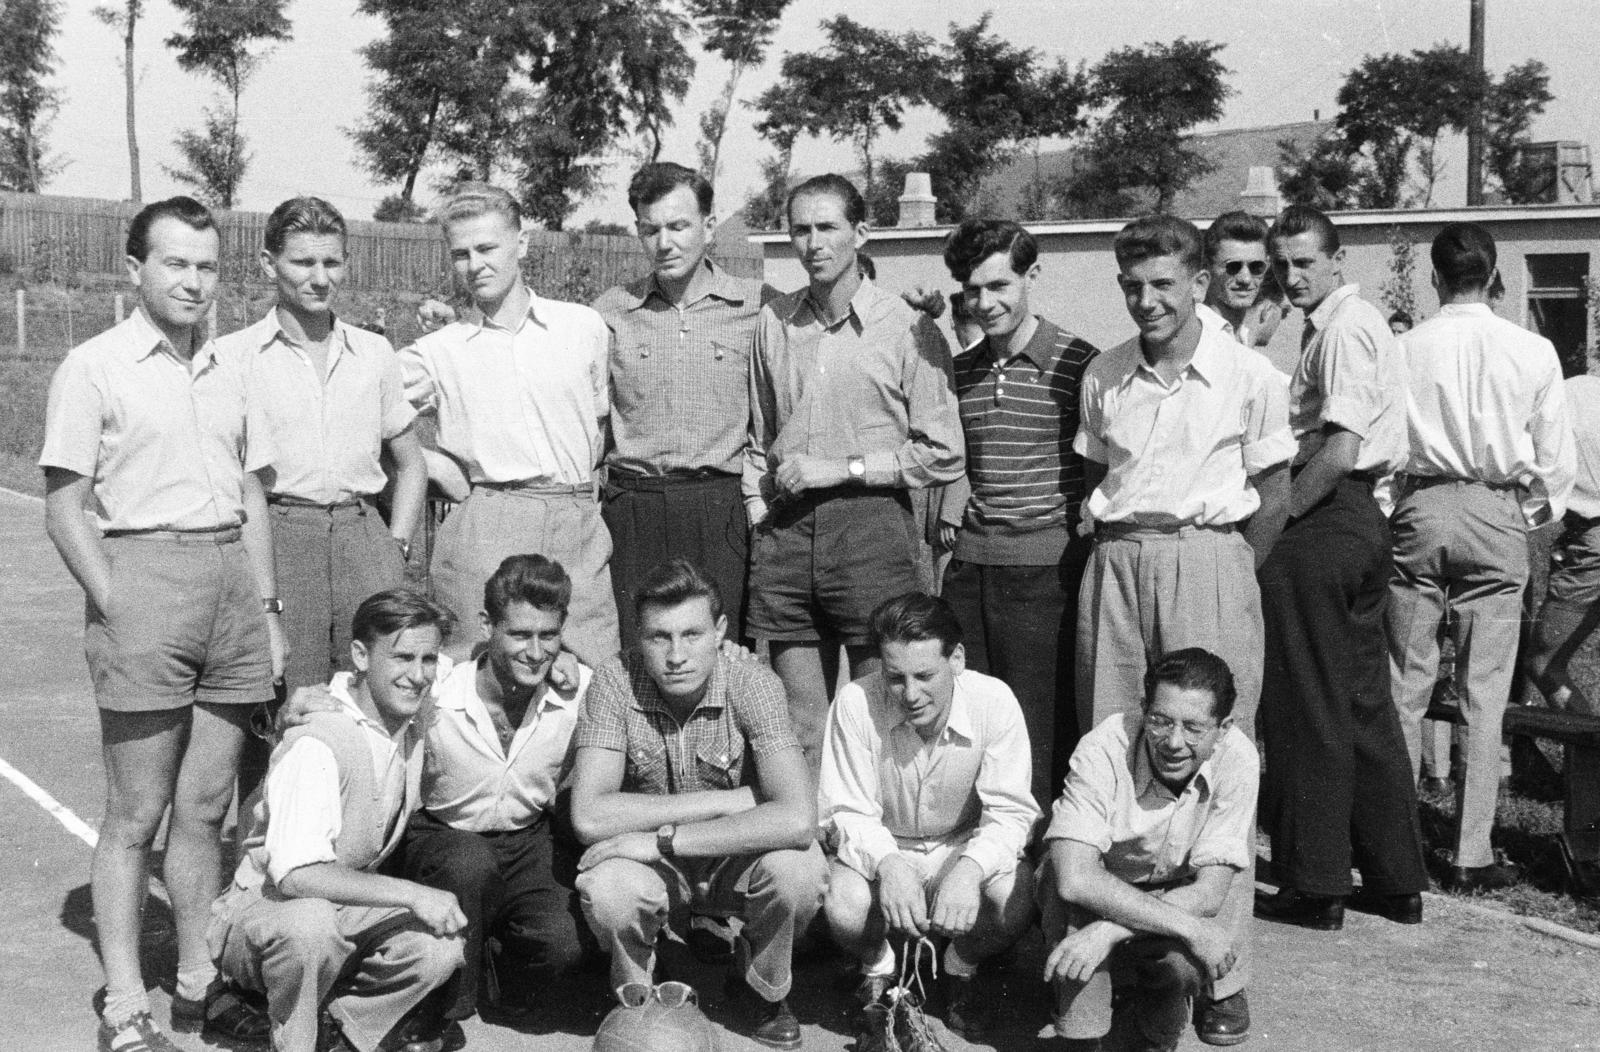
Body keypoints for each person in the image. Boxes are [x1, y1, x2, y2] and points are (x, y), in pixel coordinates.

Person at [40, 196, 283, 1052]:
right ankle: (124, 1004)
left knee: (206, 806)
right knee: (135, 812)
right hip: (145, 572)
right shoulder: (94, 365)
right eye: (175, 263)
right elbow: (65, 507)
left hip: (230, 587)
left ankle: (194, 985)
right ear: (135, 267)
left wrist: (266, 605)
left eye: (207, 265)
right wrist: (117, 600)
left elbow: (252, 491)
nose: (192, 280)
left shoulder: (231, 366)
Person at [744, 173, 964, 773]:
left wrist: (840, 469)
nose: (813, 243)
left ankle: (879, 845)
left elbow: (943, 452)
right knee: (801, 719)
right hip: (787, 533)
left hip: (871, 532)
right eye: (800, 229)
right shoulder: (774, 323)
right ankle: (811, 850)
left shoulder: (909, 326)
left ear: (861, 233)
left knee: (880, 710)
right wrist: (758, 511)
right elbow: (759, 441)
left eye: (828, 227)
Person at [1255, 205, 1430, 930]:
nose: (1292, 276)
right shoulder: (1331, 329)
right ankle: (1394, 879)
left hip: (1330, 515)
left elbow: (1340, 450)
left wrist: (1279, 521)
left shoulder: (1346, 330)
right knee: (1360, 701)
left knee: (1307, 704)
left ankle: (1318, 881)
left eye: (1305, 263)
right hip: (1355, 521)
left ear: (1337, 261)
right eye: (1283, 264)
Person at [570, 559, 828, 1049]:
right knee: (610, 888)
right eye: (658, 637)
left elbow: (797, 818)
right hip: (655, 869)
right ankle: (638, 999)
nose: (675, 655)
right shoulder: (612, 681)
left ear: (721, 632)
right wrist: (731, 801)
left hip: (730, 858)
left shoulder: (752, 682)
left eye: (691, 635)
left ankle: (761, 988)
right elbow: (589, 814)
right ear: (637, 636)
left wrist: (665, 838)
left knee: (798, 870)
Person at [1386, 222, 1575, 891]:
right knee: (1483, 691)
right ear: (1494, 276)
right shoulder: (1532, 349)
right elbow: (1556, 463)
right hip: (1496, 509)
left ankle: (1396, 845)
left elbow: (1385, 446)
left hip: (1424, 504)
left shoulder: (1403, 347)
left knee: (1405, 686)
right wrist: (1522, 514)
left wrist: (1396, 510)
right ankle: (1470, 852)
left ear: (1436, 276)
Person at [210, 590, 466, 1052]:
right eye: (403, 657)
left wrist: (564, 662)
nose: (419, 674)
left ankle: (343, 1031)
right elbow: (296, 876)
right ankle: (292, 1039)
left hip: (337, 910)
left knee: (439, 947)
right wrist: (413, 893)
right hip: (265, 918)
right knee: (310, 926)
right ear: (360, 656)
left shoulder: (409, 711)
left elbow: (477, 669)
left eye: (429, 659)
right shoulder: (320, 740)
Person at [1074, 213, 1293, 734]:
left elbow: (1274, 498)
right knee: (1111, 730)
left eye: (1162, 284)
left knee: (1205, 732)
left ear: (1198, 284)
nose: (1146, 301)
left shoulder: (1251, 375)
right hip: (1117, 563)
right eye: (1133, 286)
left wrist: (1224, 572)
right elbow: (1095, 479)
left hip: (1207, 563)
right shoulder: (1104, 373)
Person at [217, 196, 426, 713]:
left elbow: (411, 461)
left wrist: (394, 546)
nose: (319, 277)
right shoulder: (234, 356)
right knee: (287, 700)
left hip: (363, 536)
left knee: (373, 699)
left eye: (331, 262)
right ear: (270, 264)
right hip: (280, 537)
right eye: (303, 262)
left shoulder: (373, 352)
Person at [399, 182, 619, 666]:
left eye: (486, 247)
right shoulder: (441, 349)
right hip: (487, 521)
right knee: (479, 669)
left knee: (592, 671)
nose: (475, 264)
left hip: (574, 518)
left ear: (521, 243)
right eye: (461, 254)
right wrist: (429, 463)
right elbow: (364, 413)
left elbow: (603, 424)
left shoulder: (581, 326)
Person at [819, 591, 1039, 1040]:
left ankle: (960, 965)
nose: (910, 694)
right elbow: (848, 811)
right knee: (843, 905)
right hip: (886, 845)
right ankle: (878, 969)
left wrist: (971, 867)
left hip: (960, 843)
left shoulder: (994, 701)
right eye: (895, 677)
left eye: (925, 675)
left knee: (1015, 901)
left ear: (956, 658)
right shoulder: (855, 702)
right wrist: (889, 863)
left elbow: (1011, 813)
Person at [935, 218, 1100, 808]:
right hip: (971, 572)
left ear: (1032, 276)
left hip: (1045, 573)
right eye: (972, 291)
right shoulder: (960, 372)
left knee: (1037, 724)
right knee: (972, 721)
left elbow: (1092, 477)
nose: (985, 303)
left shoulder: (1080, 365)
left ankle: (1036, 858)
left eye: (1000, 286)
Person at [592, 163, 776, 645]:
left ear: (709, 227)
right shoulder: (609, 311)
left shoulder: (757, 306)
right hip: (634, 507)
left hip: (717, 506)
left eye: (678, 226)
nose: (664, 242)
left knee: (721, 651)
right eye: (651, 229)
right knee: (639, 652)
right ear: (637, 231)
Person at [1038, 649, 1257, 1052]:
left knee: (1182, 967)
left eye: (1193, 728)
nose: (1173, 742)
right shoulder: (1103, 746)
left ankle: (1149, 1029)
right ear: (1143, 709)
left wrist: (1109, 931)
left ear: (1223, 728)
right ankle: (1082, 1034)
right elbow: (1075, 878)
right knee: (1069, 914)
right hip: (1097, 887)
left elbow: (1209, 893)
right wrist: (1188, 928)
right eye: (1160, 720)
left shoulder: (1239, 758)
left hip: (1174, 892)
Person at [1524, 373, 1600, 718]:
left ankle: (1585, 770)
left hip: (1592, 542)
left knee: (1544, 663)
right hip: (1588, 539)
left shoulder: (1565, 397)